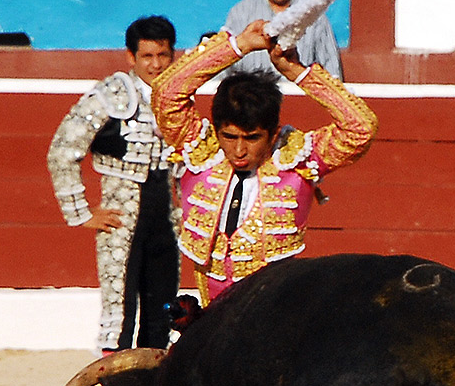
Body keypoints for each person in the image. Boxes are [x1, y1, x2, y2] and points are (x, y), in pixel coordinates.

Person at [151, 20, 377, 307]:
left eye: (252, 138)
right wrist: (239, 45)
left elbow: (361, 128)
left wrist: (298, 72)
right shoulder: (201, 147)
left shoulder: (296, 158)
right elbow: (166, 94)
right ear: (217, 129)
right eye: (229, 136)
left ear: (272, 135)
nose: (239, 150)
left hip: (272, 307)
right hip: (210, 309)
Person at [47, 15, 181, 386]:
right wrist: (81, 213)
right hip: (121, 223)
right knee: (118, 319)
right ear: (130, 57)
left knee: (161, 316)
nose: (155, 64)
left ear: (173, 55)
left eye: (163, 55)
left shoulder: (178, 95)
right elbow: (62, 149)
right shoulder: (111, 95)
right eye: (147, 56)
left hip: (167, 221)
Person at [221, 0, 343, 79]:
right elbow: (223, 62)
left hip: (298, 93)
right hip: (249, 94)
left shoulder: (315, 15)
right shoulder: (240, 12)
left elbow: (331, 67)